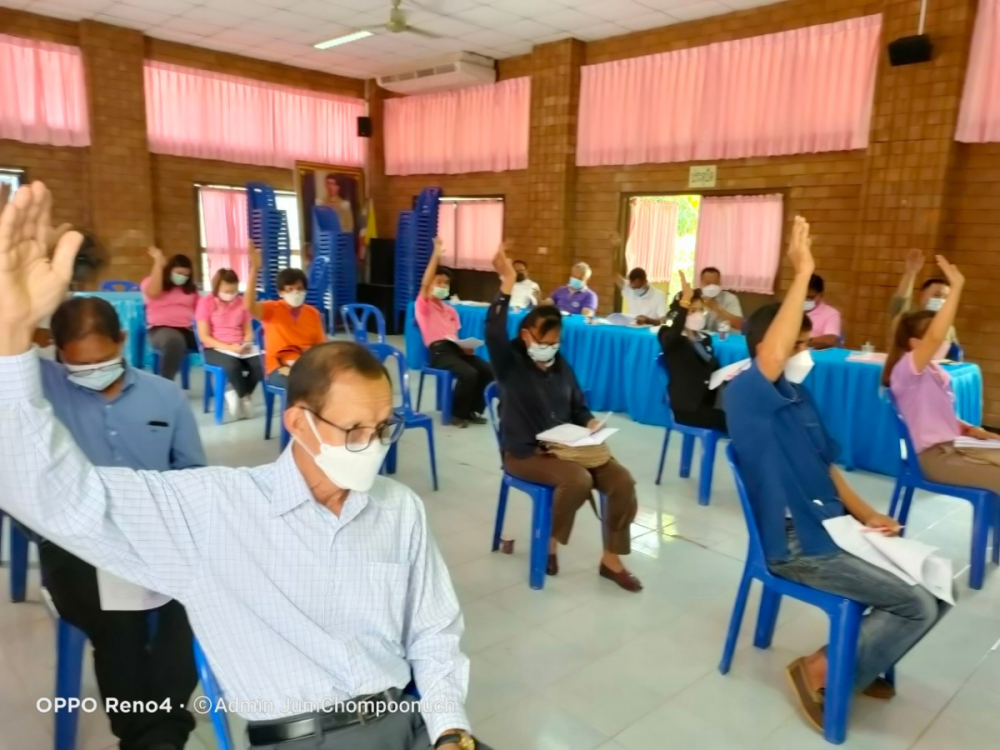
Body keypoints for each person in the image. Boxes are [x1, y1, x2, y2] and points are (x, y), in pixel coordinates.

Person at [0, 182, 488, 750]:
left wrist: (451, 728)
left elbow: (434, 629)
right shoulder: (217, 509)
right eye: (353, 430)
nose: (373, 446)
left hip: (410, 725)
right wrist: (10, 338)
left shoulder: (397, 508)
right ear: (298, 422)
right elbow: (46, 493)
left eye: (384, 429)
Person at [725, 216, 948, 733]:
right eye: (799, 345)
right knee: (914, 605)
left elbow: (828, 469)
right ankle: (820, 670)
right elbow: (776, 352)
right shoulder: (748, 395)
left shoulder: (801, 397)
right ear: (766, 350)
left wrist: (870, 515)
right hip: (794, 542)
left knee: (935, 584)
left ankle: (863, 656)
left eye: (809, 345)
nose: (806, 354)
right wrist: (802, 272)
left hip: (829, 525)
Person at [40, 296, 203, 750]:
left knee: (192, 599)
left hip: (153, 531)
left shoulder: (164, 396)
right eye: (79, 366)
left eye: (102, 361)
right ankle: (156, 740)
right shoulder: (42, 390)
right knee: (118, 620)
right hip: (74, 542)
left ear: (123, 342)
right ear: (59, 355)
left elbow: (192, 475)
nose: (92, 372)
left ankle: (156, 736)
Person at [487, 242, 641, 592]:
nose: (552, 348)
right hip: (526, 453)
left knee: (622, 481)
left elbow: (578, 406)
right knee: (578, 480)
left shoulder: (560, 365)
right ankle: (549, 546)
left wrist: (589, 423)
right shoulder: (510, 363)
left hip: (571, 447)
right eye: (546, 341)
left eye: (557, 342)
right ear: (527, 336)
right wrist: (507, 281)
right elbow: (494, 331)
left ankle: (611, 559)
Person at [884, 256, 1000, 490]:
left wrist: (971, 429)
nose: (942, 337)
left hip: (956, 444)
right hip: (934, 457)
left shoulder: (934, 370)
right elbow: (934, 336)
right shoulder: (906, 370)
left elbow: (937, 415)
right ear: (915, 343)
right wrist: (956, 287)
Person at [415, 237, 493, 428]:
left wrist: (466, 348)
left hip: (456, 349)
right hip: (439, 352)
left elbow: (456, 336)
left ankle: (472, 410)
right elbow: (425, 284)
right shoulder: (423, 305)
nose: (443, 286)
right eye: (439, 282)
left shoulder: (451, 310)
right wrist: (436, 254)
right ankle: (456, 414)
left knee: (488, 370)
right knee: (468, 373)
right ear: (432, 284)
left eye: (446, 283)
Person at [245, 247, 325, 390]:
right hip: (278, 366)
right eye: (290, 289)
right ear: (281, 292)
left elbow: (321, 346)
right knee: (301, 388)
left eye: (300, 288)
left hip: (306, 365)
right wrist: (254, 269)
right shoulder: (271, 309)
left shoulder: (313, 313)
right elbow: (248, 305)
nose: (296, 293)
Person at [657, 272, 726, 431]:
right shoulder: (669, 336)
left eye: (700, 310)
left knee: (741, 414)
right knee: (737, 422)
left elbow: (712, 369)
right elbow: (672, 335)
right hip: (687, 407)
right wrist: (685, 302)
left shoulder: (704, 339)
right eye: (691, 310)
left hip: (707, 402)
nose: (697, 315)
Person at [195, 268, 261, 419]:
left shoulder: (241, 303)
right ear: (216, 288)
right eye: (226, 290)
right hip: (214, 348)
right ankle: (244, 397)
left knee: (261, 364)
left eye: (234, 291)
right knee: (232, 365)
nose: (231, 294)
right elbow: (204, 337)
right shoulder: (206, 303)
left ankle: (235, 391)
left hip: (239, 346)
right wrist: (229, 347)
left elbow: (248, 331)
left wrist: (246, 343)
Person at [141, 248, 200, 381]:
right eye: (179, 273)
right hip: (160, 329)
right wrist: (158, 263)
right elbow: (153, 292)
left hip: (188, 329)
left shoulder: (191, 289)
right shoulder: (151, 283)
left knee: (216, 340)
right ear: (169, 270)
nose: (182, 277)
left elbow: (200, 310)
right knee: (174, 341)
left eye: (186, 275)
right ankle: (165, 384)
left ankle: (230, 386)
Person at [890, 248, 959, 351]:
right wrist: (910, 273)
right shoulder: (908, 322)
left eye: (946, 298)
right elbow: (901, 301)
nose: (941, 301)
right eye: (937, 295)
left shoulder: (948, 328)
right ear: (923, 296)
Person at [699, 267, 744, 332]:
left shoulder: (730, 298)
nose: (712, 287)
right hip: (706, 338)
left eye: (715, 283)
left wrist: (716, 308)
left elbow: (739, 324)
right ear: (701, 283)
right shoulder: (697, 300)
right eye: (708, 283)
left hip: (727, 339)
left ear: (720, 283)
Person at [804, 273, 842, 349]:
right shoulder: (789, 310)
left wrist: (800, 342)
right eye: (803, 296)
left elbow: (830, 340)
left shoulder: (831, 314)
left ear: (821, 295)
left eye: (810, 297)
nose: (805, 300)